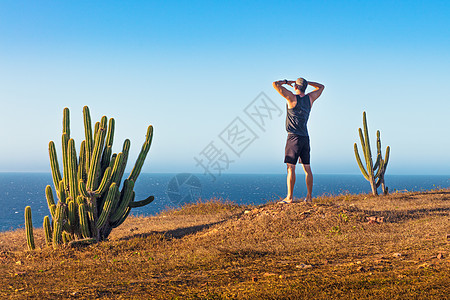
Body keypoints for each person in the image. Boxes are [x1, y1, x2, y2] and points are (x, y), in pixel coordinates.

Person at [272, 77, 324, 203]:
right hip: (305, 137)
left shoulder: (292, 98)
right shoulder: (310, 99)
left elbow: (275, 84)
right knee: (307, 168)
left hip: (293, 137)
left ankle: (289, 197)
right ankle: (309, 197)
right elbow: (321, 87)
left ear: (295, 87)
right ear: (305, 87)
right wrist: (307, 83)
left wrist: (286, 82)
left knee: (291, 168)